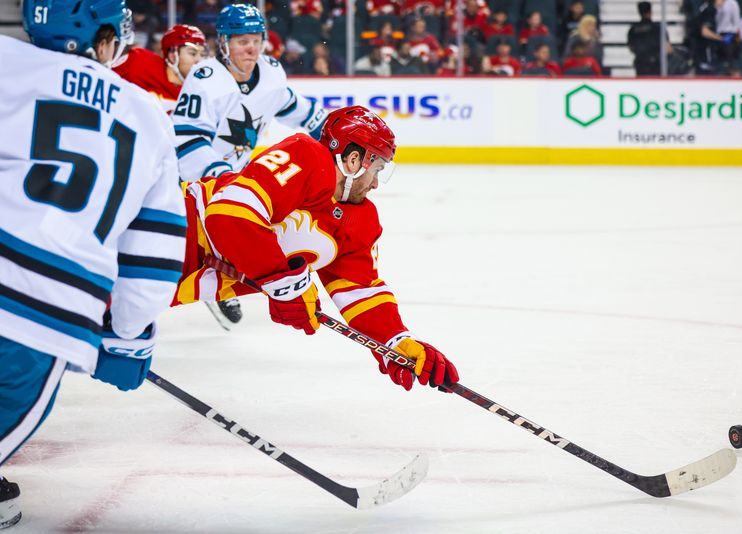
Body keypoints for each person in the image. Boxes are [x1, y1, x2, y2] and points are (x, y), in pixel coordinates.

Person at [0, 0, 187, 528]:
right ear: (103, 39)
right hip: (44, 311)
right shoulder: (148, 115)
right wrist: (128, 335)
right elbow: (152, 251)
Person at [173, 106, 459, 392]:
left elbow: (361, 289)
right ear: (354, 159)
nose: (374, 183)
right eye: (377, 170)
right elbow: (229, 215)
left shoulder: (360, 220)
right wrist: (285, 283)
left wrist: (395, 342)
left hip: (179, 283)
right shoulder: (307, 156)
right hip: (169, 227)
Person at [172, 3, 327, 328]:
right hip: (185, 186)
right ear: (224, 43)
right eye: (243, 40)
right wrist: (222, 177)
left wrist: (334, 132)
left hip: (230, 183)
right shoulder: (206, 79)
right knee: (175, 257)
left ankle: (221, 282)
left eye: (257, 39)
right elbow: (186, 142)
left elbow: (297, 108)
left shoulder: (270, 73)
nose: (252, 47)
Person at [113, 23, 207, 113]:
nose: (199, 60)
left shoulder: (198, 93)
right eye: (192, 53)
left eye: (202, 55)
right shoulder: (139, 61)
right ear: (172, 55)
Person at [627, 1, 671, 76]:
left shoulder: (633, 29)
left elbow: (631, 47)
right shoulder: (658, 28)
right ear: (650, 11)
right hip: (656, 64)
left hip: (640, 63)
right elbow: (668, 47)